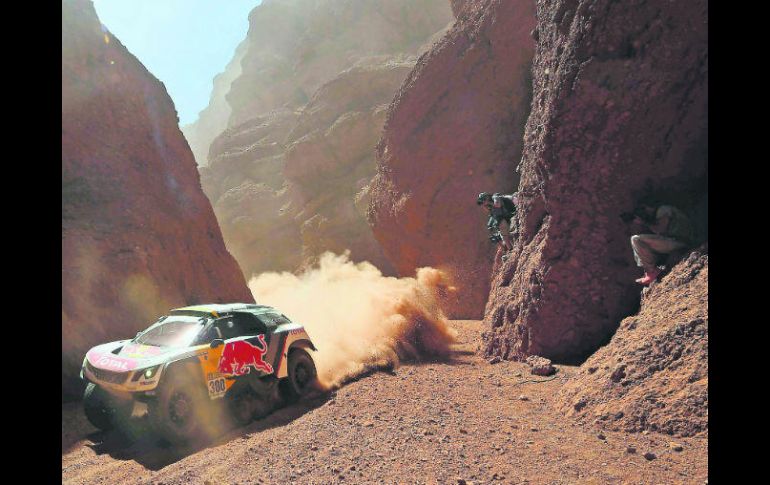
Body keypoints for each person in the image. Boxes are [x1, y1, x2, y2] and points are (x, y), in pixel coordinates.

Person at [629, 203, 694, 285]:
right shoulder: (661, 212)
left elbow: (661, 229)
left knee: (636, 239)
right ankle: (651, 271)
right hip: (676, 242)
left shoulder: (663, 209)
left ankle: (652, 272)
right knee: (638, 241)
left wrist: (644, 223)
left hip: (680, 241)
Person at [477, 192, 517, 259]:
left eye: (483, 200)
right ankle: (510, 250)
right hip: (510, 214)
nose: (483, 203)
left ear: (486, 198)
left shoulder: (495, 197)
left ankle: (511, 249)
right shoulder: (491, 208)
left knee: (502, 226)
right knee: (499, 235)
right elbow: (494, 217)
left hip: (514, 205)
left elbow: (498, 204)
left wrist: (489, 204)